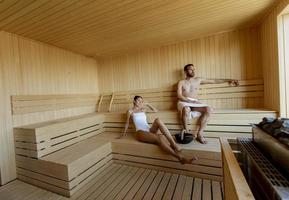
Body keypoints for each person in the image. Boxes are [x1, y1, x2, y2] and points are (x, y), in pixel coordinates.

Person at [118, 95, 198, 164]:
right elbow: (127, 123)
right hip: (140, 132)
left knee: (158, 120)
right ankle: (180, 158)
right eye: (139, 100)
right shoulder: (130, 111)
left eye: (142, 101)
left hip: (149, 130)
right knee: (159, 138)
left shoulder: (143, 110)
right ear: (134, 101)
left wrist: (148, 104)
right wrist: (123, 134)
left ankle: (174, 145)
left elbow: (156, 110)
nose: (140, 102)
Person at [177, 64, 239, 144]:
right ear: (185, 71)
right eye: (190, 69)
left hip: (195, 102)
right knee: (186, 109)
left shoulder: (198, 80)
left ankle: (200, 133)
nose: (193, 71)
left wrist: (229, 80)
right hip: (184, 102)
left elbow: (214, 81)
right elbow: (179, 95)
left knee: (209, 109)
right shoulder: (181, 82)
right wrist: (189, 101)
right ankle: (187, 131)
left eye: (194, 69)